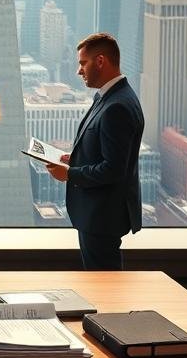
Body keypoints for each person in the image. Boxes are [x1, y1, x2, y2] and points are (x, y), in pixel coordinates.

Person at [45, 32, 144, 270]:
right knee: (102, 283)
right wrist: (75, 159)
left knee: (104, 285)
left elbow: (114, 169)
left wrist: (70, 174)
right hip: (99, 213)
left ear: (100, 61)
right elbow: (108, 152)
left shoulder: (116, 106)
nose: (79, 71)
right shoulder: (111, 97)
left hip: (102, 216)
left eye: (83, 63)